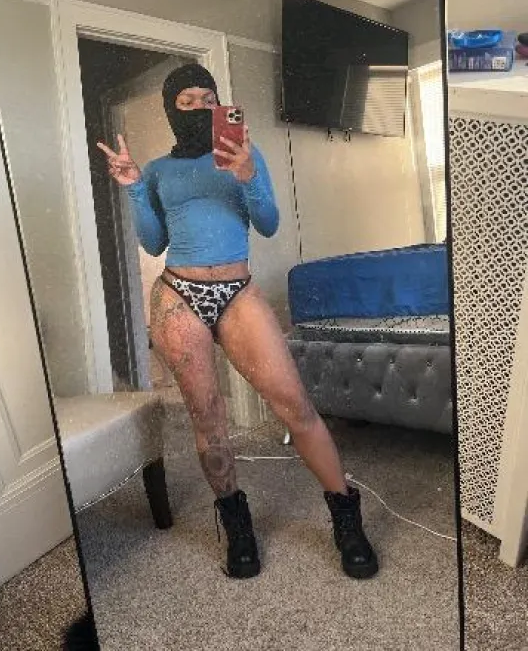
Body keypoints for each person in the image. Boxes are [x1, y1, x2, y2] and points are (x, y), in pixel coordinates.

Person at [97, 63, 378, 580]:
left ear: (220, 104)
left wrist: (246, 174)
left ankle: (345, 515)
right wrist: (134, 186)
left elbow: (268, 223)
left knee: (296, 407)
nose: (199, 107)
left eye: (208, 98)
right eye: (187, 101)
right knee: (207, 417)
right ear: (171, 108)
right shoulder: (158, 170)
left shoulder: (243, 153)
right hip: (178, 293)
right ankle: (236, 521)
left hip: (238, 291)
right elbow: (154, 243)